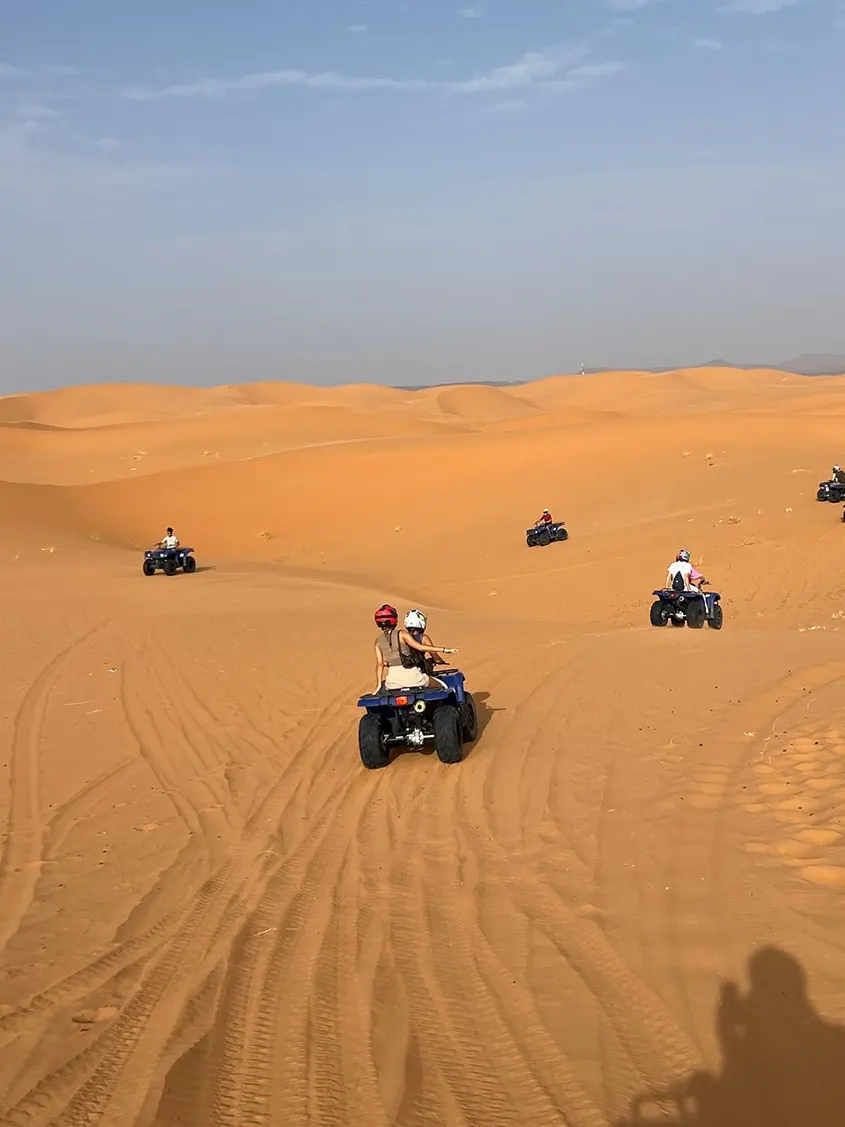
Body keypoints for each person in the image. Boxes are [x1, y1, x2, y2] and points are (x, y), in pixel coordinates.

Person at [372, 604, 457, 694]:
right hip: (414, 679)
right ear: (394, 619)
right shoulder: (402, 634)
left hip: (392, 683)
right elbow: (420, 647)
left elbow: (380, 664)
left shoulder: (377, 642)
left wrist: (378, 685)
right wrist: (444, 649)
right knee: (443, 687)